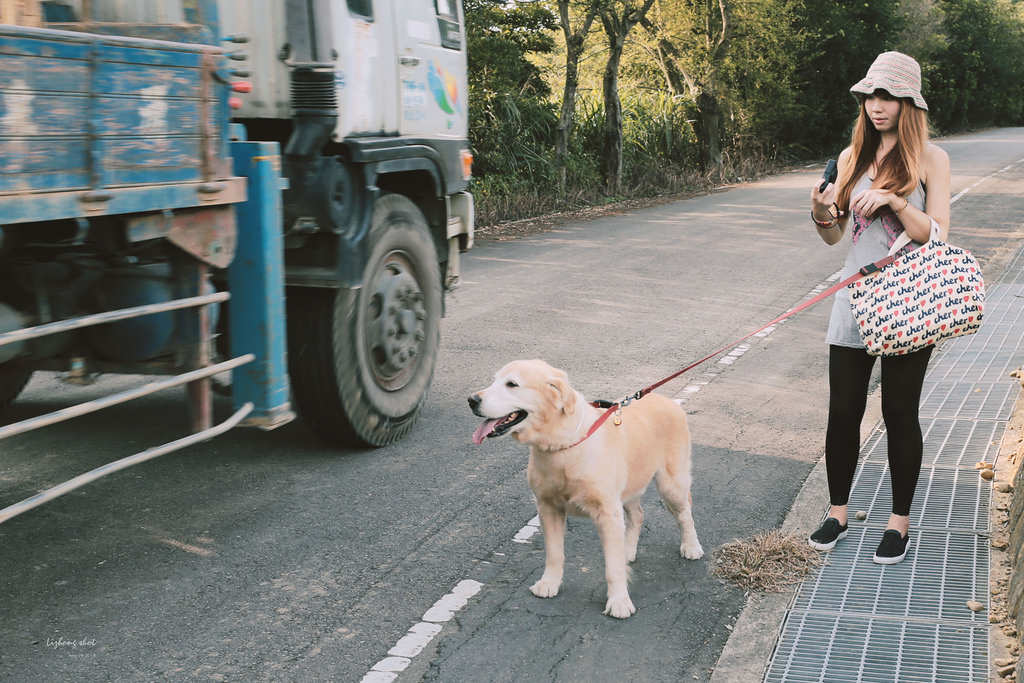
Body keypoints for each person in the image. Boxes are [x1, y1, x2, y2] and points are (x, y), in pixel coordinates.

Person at [807, 51, 951, 565]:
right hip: (853, 297)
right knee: (842, 411)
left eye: (888, 96)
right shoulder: (850, 158)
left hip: (909, 301)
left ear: (909, 102)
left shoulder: (930, 159)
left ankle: (898, 523)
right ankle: (838, 512)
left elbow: (936, 235)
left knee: (898, 413)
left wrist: (894, 200)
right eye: (871, 95)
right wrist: (821, 210)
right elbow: (834, 238)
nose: (877, 105)